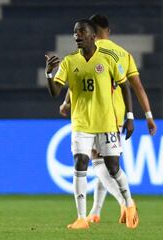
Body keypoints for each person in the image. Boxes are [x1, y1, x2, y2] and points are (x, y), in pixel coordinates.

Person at [59, 14, 157, 225]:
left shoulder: (95, 52)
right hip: (116, 115)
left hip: (100, 115)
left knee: (99, 163)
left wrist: (67, 102)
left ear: (92, 32)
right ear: (108, 30)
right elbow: (135, 86)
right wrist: (146, 115)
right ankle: (95, 211)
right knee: (106, 163)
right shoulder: (123, 53)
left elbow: (79, 81)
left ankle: (123, 202)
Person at [45, 19, 139, 229]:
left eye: (81, 32)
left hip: (106, 122)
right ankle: (81, 217)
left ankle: (129, 203)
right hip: (81, 124)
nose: (76, 35)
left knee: (113, 167)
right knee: (80, 163)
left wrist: (130, 116)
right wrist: (49, 74)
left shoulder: (108, 58)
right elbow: (55, 91)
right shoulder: (70, 61)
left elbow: (125, 87)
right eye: (75, 32)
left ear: (92, 35)